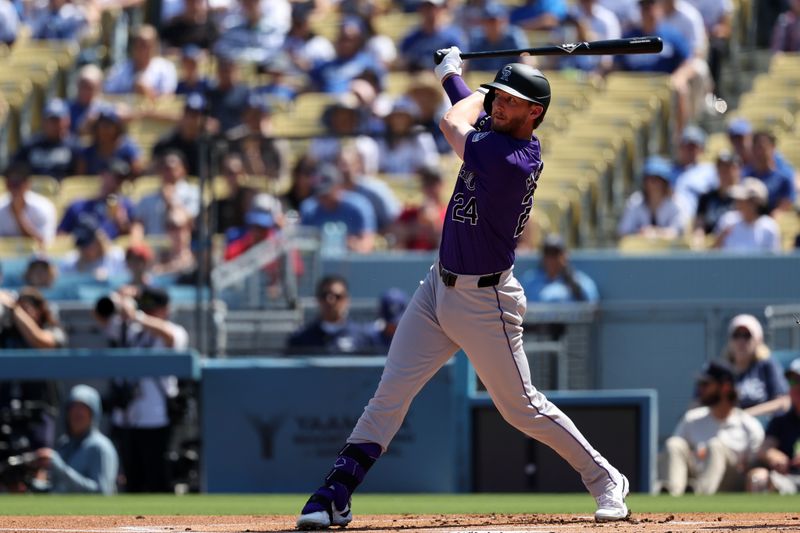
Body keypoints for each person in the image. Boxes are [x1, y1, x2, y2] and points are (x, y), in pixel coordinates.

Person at [295, 51, 630, 530]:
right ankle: (334, 493)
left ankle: (606, 479)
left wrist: (452, 74)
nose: (499, 105)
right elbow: (471, 108)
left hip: (486, 299)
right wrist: (458, 80)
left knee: (522, 409)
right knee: (390, 394)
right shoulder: (498, 132)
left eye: (511, 101)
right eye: (498, 97)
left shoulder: (512, 158)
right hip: (438, 285)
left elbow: (453, 120)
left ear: (534, 113)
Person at [96, 286, 187, 493]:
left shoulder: (173, 330)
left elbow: (168, 336)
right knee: (132, 479)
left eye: (153, 308)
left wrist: (136, 315)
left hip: (156, 417)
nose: (148, 312)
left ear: (165, 309)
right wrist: (116, 299)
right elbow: (100, 316)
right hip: (127, 415)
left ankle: (164, 523)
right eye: (145, 308)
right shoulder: (129, 329)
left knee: (157, 477)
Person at [661, 360, 764, 495]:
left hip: (732, 484)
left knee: (715, 446)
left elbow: (754, 467)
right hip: (696, 475)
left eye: (705, 384)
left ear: (725, 387)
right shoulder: (692, 418)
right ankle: (672, 499)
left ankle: (700, 496)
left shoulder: (749, 425)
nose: (700, 389)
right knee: (674, 443)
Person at [36, 384, 119, 494]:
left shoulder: (100, 447)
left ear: (93, 414)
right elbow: (58, 488)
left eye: (82, 408)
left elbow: (102, 492)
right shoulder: (64, 444)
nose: (77, 413)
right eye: (73, 407)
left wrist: (59, 467)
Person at [747, 358, 800, 494]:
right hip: (788, 478)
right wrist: (773, 455)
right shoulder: (781, 420)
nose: (796, 387)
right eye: (793, 381)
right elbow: (765, 448)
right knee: (758, 477)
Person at [299, 164, 377, 254]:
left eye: (326, 194)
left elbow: (366, 245)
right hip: (318, 264)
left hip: (351, 263)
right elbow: (302, 246)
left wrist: (347, 245)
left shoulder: (359, 207)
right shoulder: (309, 209)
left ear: (338, 187)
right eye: (319, 195)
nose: (322, 199)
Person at [286, 274, 371, 355]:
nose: (330, 301)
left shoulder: (361, 337)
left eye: (337, 296)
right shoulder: (301, 338)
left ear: (346, 300)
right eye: (324, 296)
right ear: (317, 299)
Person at [722, 314, 789, 416]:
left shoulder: (766, 365)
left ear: (758, 340)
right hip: (726, 429)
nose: (741, 341)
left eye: (746, 335)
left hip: (760, 428)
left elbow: (783, 402)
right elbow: (698, 404)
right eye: (736, 335)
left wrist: (745, 415)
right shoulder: (721, 369)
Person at [57, 159, 137, 240]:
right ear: (103, 175)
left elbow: (133, 241)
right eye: (115, 176)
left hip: (114, 250)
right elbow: (61, 236)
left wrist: (122, 223)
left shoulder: (127, 206)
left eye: (121, 178)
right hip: (83, 249)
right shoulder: (78, 206)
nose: (118, 182)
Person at [617, 155, 689, 240]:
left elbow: (678, 233)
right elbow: (623, 232)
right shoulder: (635, 202)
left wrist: (655, 232)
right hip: (640, 251)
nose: (654, 184)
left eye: (658, 179)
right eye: (650, 179)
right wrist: (641, 233)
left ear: (665, 183)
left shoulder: (677, 203)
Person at [11, 99, 81, 181]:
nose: (54, 125)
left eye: (57, 120)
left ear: (67, 120)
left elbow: (78, 178)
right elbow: (16, 171)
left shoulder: (74, 146)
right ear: (43, 122)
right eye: (51, 120)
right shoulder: (30, 146)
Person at [520, 234, 599, 303]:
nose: (551, 259)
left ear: (565, 255)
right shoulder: (529, 280)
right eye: (547, 253)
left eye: (555, 253)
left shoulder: (580, 282)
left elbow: (592, 307)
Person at [135, 151, 200, 235]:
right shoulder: (147, 198)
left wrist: (171, 201)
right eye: (165, 169)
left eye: (173, 169)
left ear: (183, 170)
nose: (169, 173)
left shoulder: (193, 193)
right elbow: (138, 224)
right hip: (154, 245)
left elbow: (185, 221)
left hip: (180, 245)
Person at [103, 25, 178, 97]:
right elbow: (108, 94)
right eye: (140, 45)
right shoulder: (120, 69)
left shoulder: (166, 68)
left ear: (155, 46)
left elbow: (168, 100)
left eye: (147, 45)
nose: (143, 50)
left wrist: (147, 91)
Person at [713, 178, 781, 253]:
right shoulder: (727, 220)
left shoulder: (769, 227)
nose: (738, 202)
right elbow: (714, 254)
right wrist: (720, 239)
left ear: (755, 203)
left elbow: (773, 261)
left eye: (743, 200)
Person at [376, 97, 440, 176]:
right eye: (396, 117)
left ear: (411, 119)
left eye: (403, 117)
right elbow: (380, 169)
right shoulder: (382, 141)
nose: (399, 121)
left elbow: (430, 165)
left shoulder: (421, 137)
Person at [398, 0, 467, 72]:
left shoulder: (453, 36)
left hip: (444, 79)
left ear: (441, 9)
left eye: (433, 8)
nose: (430, 12)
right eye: (426, 8)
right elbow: (402, 63)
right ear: (420, 10)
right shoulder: (411, 38)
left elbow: (461, 65)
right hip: (415, 80)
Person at [212, 0, 287, 65]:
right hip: (238, 73)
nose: (249, 6)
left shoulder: (272, 29)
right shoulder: (233, 28)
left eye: (253, 2)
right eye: (245, 2)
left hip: (264, 73)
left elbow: (273, 53)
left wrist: (243, 56)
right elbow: (220, 48)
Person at [0, 163, 57, 246]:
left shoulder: (44, 208)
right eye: (9, 183)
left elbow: (44, 244)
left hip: (35, 257)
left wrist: (18, 215)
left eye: (17, 183)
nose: (13, 188)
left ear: (27, 184)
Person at [77, 106, 143, 177]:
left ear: (117, 128)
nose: (105, 129)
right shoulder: (88, 152)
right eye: (102, 125)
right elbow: (79, 180)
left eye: (109, 125)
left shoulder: (128, 148)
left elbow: (137, 172)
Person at [742, 131, 796, 213]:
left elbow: (787, 202)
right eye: (757, 147)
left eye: (763, 147)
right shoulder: (746, 174)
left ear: (773, 147)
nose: (760, 152)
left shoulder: (784, 175)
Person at [468, 2, 530, 73]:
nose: (493, 25)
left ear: (504, 21)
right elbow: (467, 65)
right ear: (482, 22)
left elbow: (526, 60)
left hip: (509, 81)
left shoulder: (514, 35)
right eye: (488, 21)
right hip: (480, 82)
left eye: (495, 21)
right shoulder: (476, 38)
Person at [693, 150, 740, 242]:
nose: (725, 172)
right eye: (721, 168)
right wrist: (699, 238)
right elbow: (699, 225)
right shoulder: (706, 197)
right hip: (711, 248)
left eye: (729, 167)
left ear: (737, 170)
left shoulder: (743, 198)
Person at [672, 125, 717, 218]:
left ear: (702, 149)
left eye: (693, 147)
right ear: (680, 147)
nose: (690, 151)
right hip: (670, 222)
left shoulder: (709, 171)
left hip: (697, 222)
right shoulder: (668, 171)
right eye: (686, 146)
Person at [59, 219, 127, 281]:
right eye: (81, 245)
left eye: (88, 245)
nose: (84, 249)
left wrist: (108, 279)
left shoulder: (116, 257)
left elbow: (125, 282)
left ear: (98, 241)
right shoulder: (70, 262)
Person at [364, 288, 409, 353]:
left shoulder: (412, 338)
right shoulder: (371, 337)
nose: (394, 326)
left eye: (397, 323)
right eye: (390, 324)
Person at [67, 65, 105, 135]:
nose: (85, 91)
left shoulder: (105, 109)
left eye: (90, 87)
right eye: (83, 86)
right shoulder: (66, 108)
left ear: (98, 88)